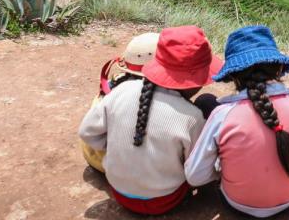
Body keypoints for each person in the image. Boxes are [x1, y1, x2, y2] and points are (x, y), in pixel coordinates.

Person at [185, 25, 289, 218]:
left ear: (232, 76)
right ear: (279, 68)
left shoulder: (222, 115)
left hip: (237, 205)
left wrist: (224, 169)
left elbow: (195, 176)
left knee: (206, 101)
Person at [78, 26, 223, 215]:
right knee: (207, 103)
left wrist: (119, 148)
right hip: (166, 200)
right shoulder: (192, 117)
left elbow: (87, 133)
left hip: (120, 192)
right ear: (194, 82)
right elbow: (195, 173)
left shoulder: (121, 91)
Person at [79, 32, 159, 173]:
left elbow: (86, 132)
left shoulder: (114, 83)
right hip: (117, 166)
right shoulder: (152, 97)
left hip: (93, 155)